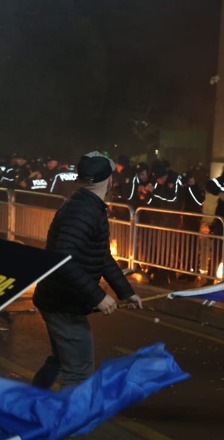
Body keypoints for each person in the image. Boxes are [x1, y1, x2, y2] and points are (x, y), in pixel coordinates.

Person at [31, 152, 143, 389]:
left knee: (61, 360)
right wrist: (98, 296)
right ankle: (66, 424)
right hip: (63, 303)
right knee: (79, 372)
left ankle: (25, 412)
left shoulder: (86, 204)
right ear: (109, 181)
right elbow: (63, 258)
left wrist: (125, 292)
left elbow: (100, 255)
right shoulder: (84, 211)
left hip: (59, 298)